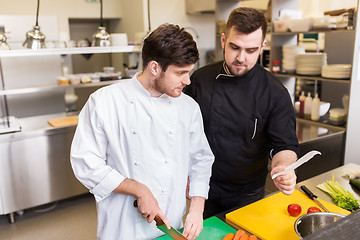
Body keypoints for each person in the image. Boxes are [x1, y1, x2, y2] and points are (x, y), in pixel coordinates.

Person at [70, 23, 214, 240]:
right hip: (122, 230)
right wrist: (138, 189)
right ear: (155, 68)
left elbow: (201, 160)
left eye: (189, 72)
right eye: (181, 73)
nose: (188, 80)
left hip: (170, 225)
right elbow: (85, 161)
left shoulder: (188, 107)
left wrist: (197, 207)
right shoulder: (105, 102)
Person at [184, 7, 299, 218]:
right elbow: (181, 131)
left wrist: (284, 167)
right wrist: (184, 172)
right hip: (202, 186)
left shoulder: (275, 93)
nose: (241, 57)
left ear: (263, 46)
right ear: (223, 40)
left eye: (251, 50)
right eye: (234, 47)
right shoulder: (199, 80)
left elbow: (284, 145)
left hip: (247, 193)